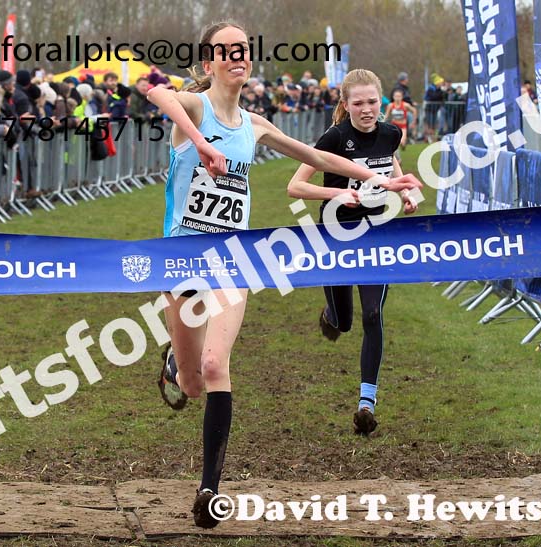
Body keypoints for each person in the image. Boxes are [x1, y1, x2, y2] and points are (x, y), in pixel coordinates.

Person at [146, 22, 421, 529]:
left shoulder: (255, 125)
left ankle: (209, 490)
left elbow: (317, 157)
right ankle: (173, 366)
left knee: (215, 365)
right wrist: (200, 144)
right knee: (191, 383)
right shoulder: (196, 108)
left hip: (233, 259)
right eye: (226, 51)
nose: (237, 57)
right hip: (181, 260)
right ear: (208, 63)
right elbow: (157, 93)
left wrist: (379, 179)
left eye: (243, 50)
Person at [287, 68, 420, 438]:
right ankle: (330, 314)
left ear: (381, 101)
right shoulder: (334, 138)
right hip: (337, 236)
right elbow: (295, 187)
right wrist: (339, 193)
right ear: (345, 105)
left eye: (372, 102)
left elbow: (389, 164)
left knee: (373, 314)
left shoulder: (391, 133)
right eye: (358, 103)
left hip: (377, 234)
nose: (366, 109)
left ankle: (367, 403)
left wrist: (404, 191)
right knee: (344, 322)